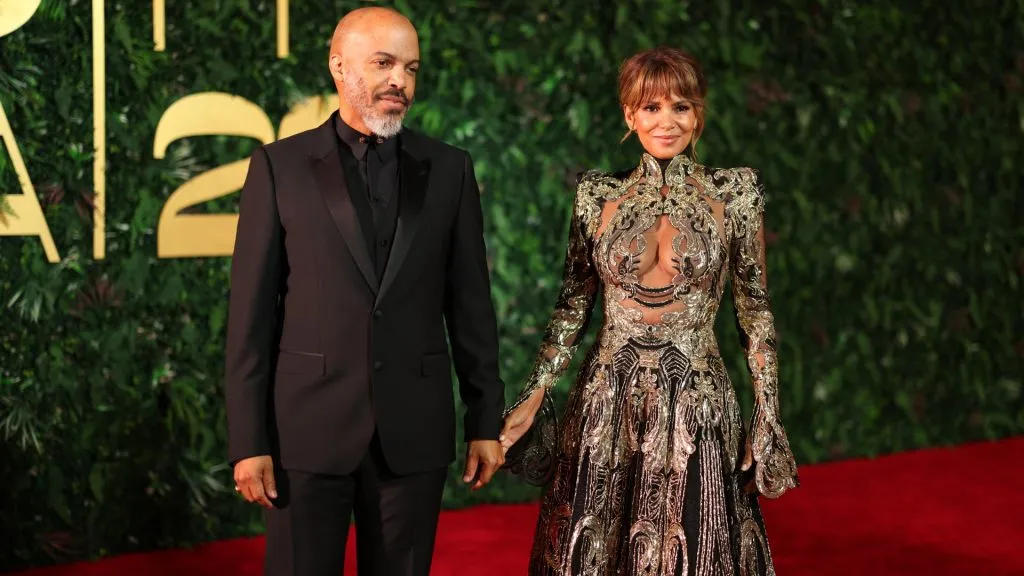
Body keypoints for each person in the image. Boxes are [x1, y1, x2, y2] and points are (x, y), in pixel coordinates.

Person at [224, 7, 505, 576]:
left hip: (414, 432)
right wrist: (248, 439)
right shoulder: (279, 167)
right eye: (383, 63)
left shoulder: (449, 169)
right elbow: (251, 317)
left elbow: (471, 306)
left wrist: (484, 420)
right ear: (338, 66)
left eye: (411, 68)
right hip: (306, 433)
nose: (400, 80)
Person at [500, 46, 799, 575]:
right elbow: (573, 305)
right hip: (607, 401)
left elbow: (754, 311)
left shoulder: (735, 192)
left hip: (697, 399)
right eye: (652, 107)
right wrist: (536, 392)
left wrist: (767, 413)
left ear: (698, 115)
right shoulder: (597, 194)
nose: (667, 122)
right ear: (629, 115)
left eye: (681, 107)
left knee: (697, 549)